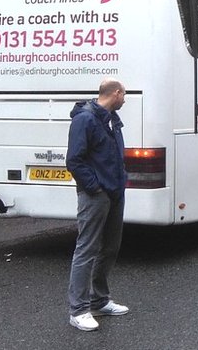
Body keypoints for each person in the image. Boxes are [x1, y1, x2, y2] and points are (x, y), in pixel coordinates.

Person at [66, 78, 130, 331]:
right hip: (96, 194)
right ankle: (78, 310)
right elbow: (74, 160)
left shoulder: (111, 118)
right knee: (87, 249)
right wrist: (95, 187)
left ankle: (99, 300)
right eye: (124, 95)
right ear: (115, 93)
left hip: (114, 191)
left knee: (111, 247)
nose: (125, 99)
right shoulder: (85, 119)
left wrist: (119, 181)